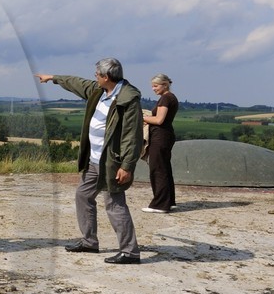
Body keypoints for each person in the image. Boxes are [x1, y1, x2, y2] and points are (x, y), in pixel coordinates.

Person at [36, 59, 144, 264]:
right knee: (83, 195)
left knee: (114, 204)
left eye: (97, 74)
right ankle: (89, 242)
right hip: (95, 160)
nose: (94, 77)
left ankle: (130, 252)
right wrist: (54, 79)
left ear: (106, 77)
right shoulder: (100, 91)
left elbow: (132, 136)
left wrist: (127, 166)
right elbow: (78, 83)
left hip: (112, 162)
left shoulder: (128, 100)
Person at [142, 73, 178, 213]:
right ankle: (169, 201)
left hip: (160, 137)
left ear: (165, 85)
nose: (153, 89)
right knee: (165, 169)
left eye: (155, 86)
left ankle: (159, 204)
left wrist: (143, 117)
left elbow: (159, 120)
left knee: (157, 170)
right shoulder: (171, 97)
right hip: (166, 136)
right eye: (152, 86)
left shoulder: (165, 98)